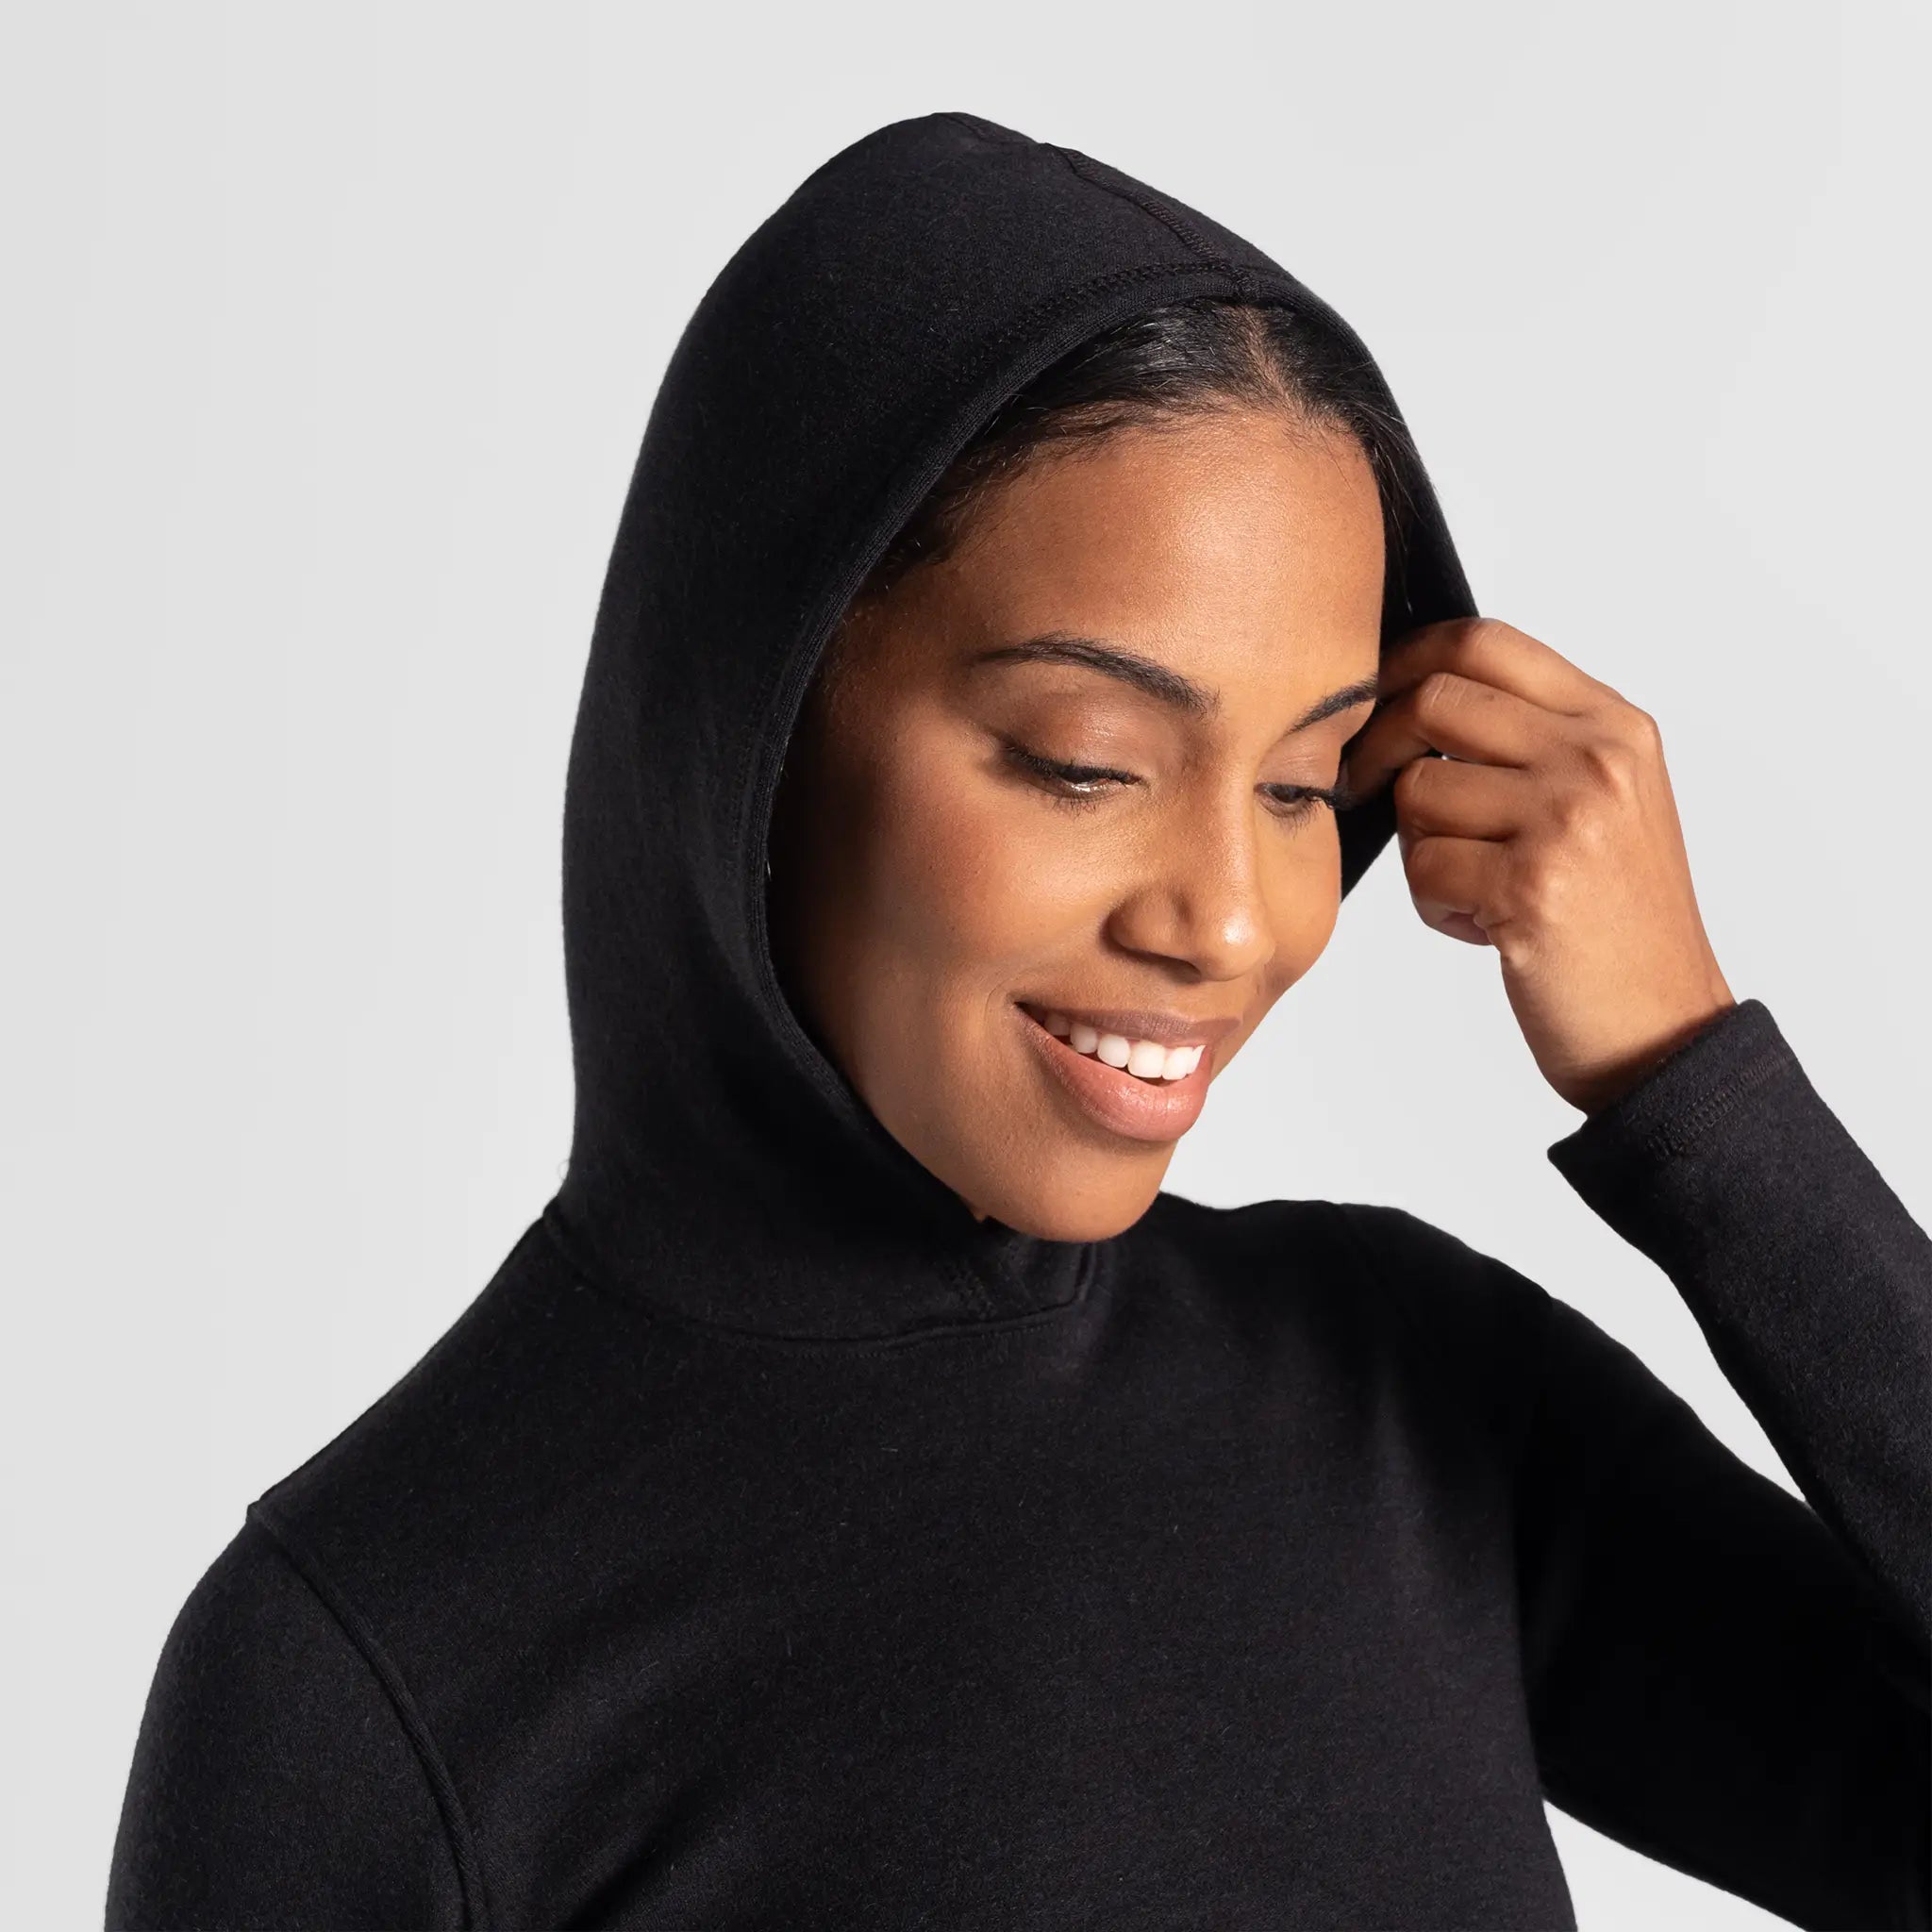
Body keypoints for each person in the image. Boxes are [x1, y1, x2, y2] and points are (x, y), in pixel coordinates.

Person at [106, 110, 1929, 1930]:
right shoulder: (367, 1673)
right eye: (1087, 762)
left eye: (1303, 785)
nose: (1230, 922)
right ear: (755, 722)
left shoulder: (1405, 1396)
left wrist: (1693, 1087)